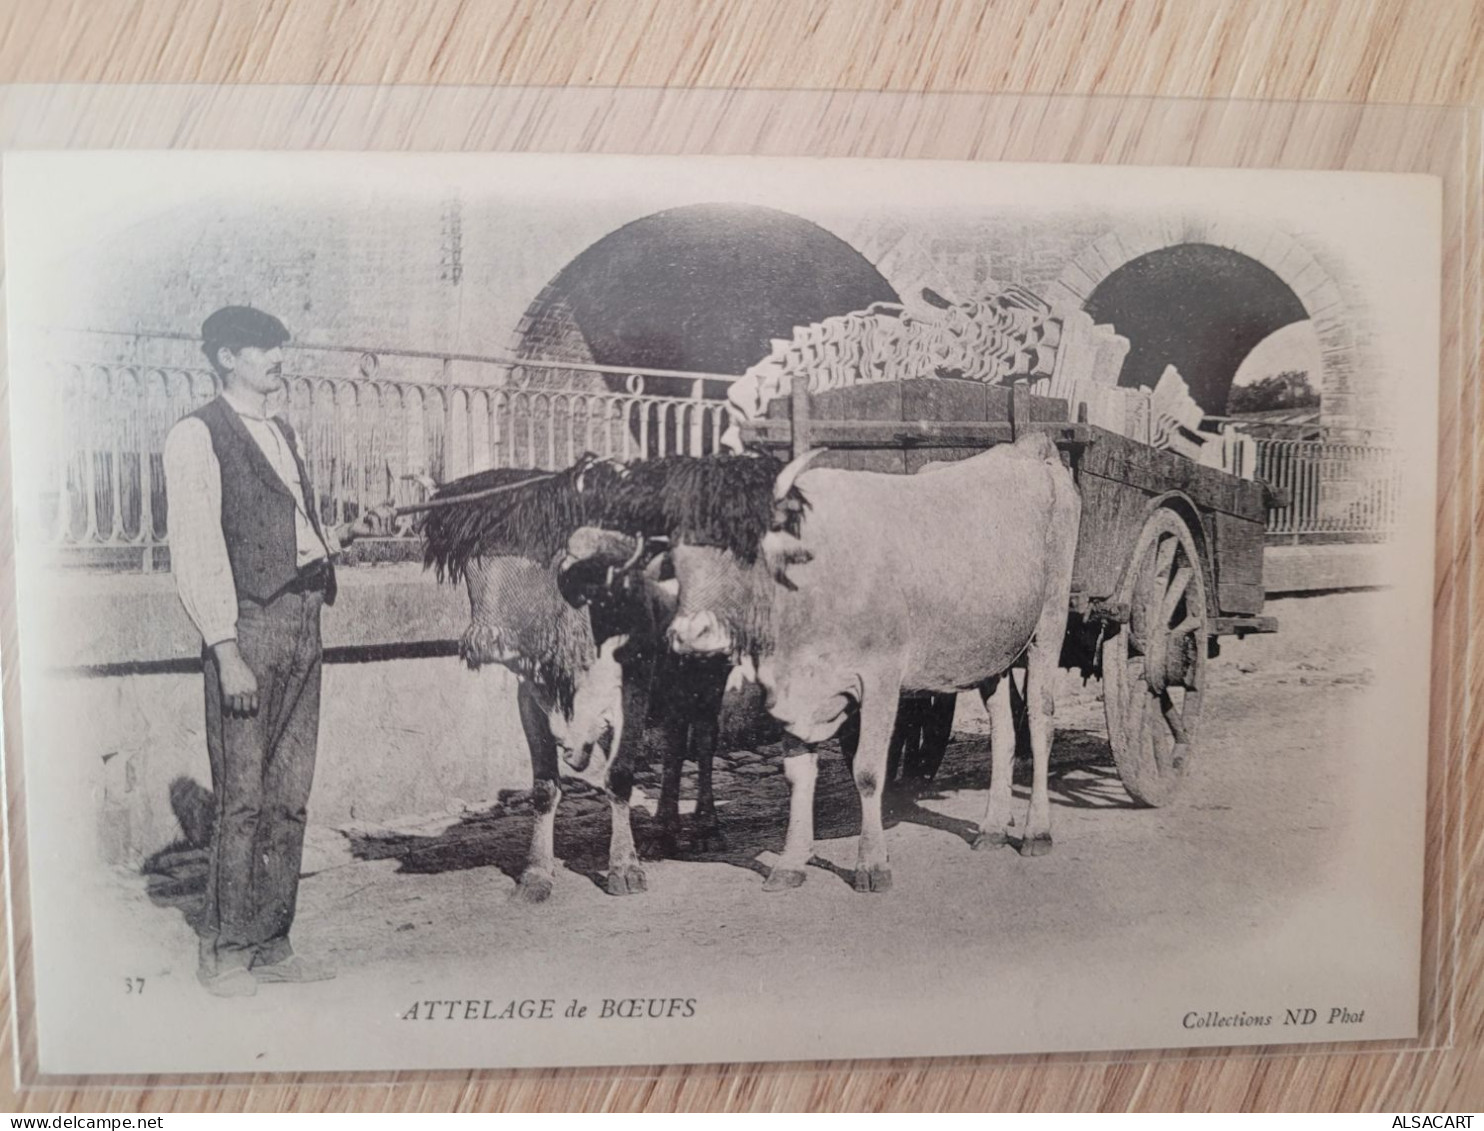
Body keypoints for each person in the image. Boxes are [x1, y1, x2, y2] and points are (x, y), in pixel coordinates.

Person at [163, 306, 338, 997]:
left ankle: (271, 938)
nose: (277, 356)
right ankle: (224, 947)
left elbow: (284, 526)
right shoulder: (196, 434)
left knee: (291, 795)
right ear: (228, 355)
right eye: (264, 347)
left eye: (279, 345)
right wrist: (224, 648)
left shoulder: (282, 430)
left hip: (303, 617)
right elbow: (198, 547)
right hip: (249, 625)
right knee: (242, 798)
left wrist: (325, 548)